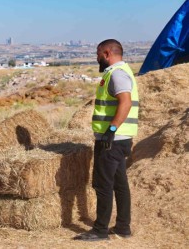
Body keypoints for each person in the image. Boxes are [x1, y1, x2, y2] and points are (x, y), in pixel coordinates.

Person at [74, 39, 139, 241]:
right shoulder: (119, 72)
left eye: (98, 53)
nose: (96, 57)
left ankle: (100, 230)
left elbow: (125, 102)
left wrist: (111, 130)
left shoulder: (118, 74)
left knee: (103, 184)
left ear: (107, 53)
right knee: (119, 184)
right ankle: (122, 228)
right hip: (119, 139)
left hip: (112, 140)